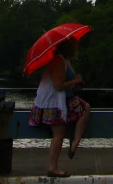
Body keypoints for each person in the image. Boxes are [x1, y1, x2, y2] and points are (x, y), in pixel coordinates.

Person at [29, 37, 91, 177]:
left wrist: (76, 82)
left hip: (60, 99)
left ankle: (75, 141)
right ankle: (53, 168)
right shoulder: (58, 61)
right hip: (51, 102)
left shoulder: (65, 61)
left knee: (85, 108)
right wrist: (75, 80)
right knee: (58, 135)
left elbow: (65, 82)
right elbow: (58, 86)